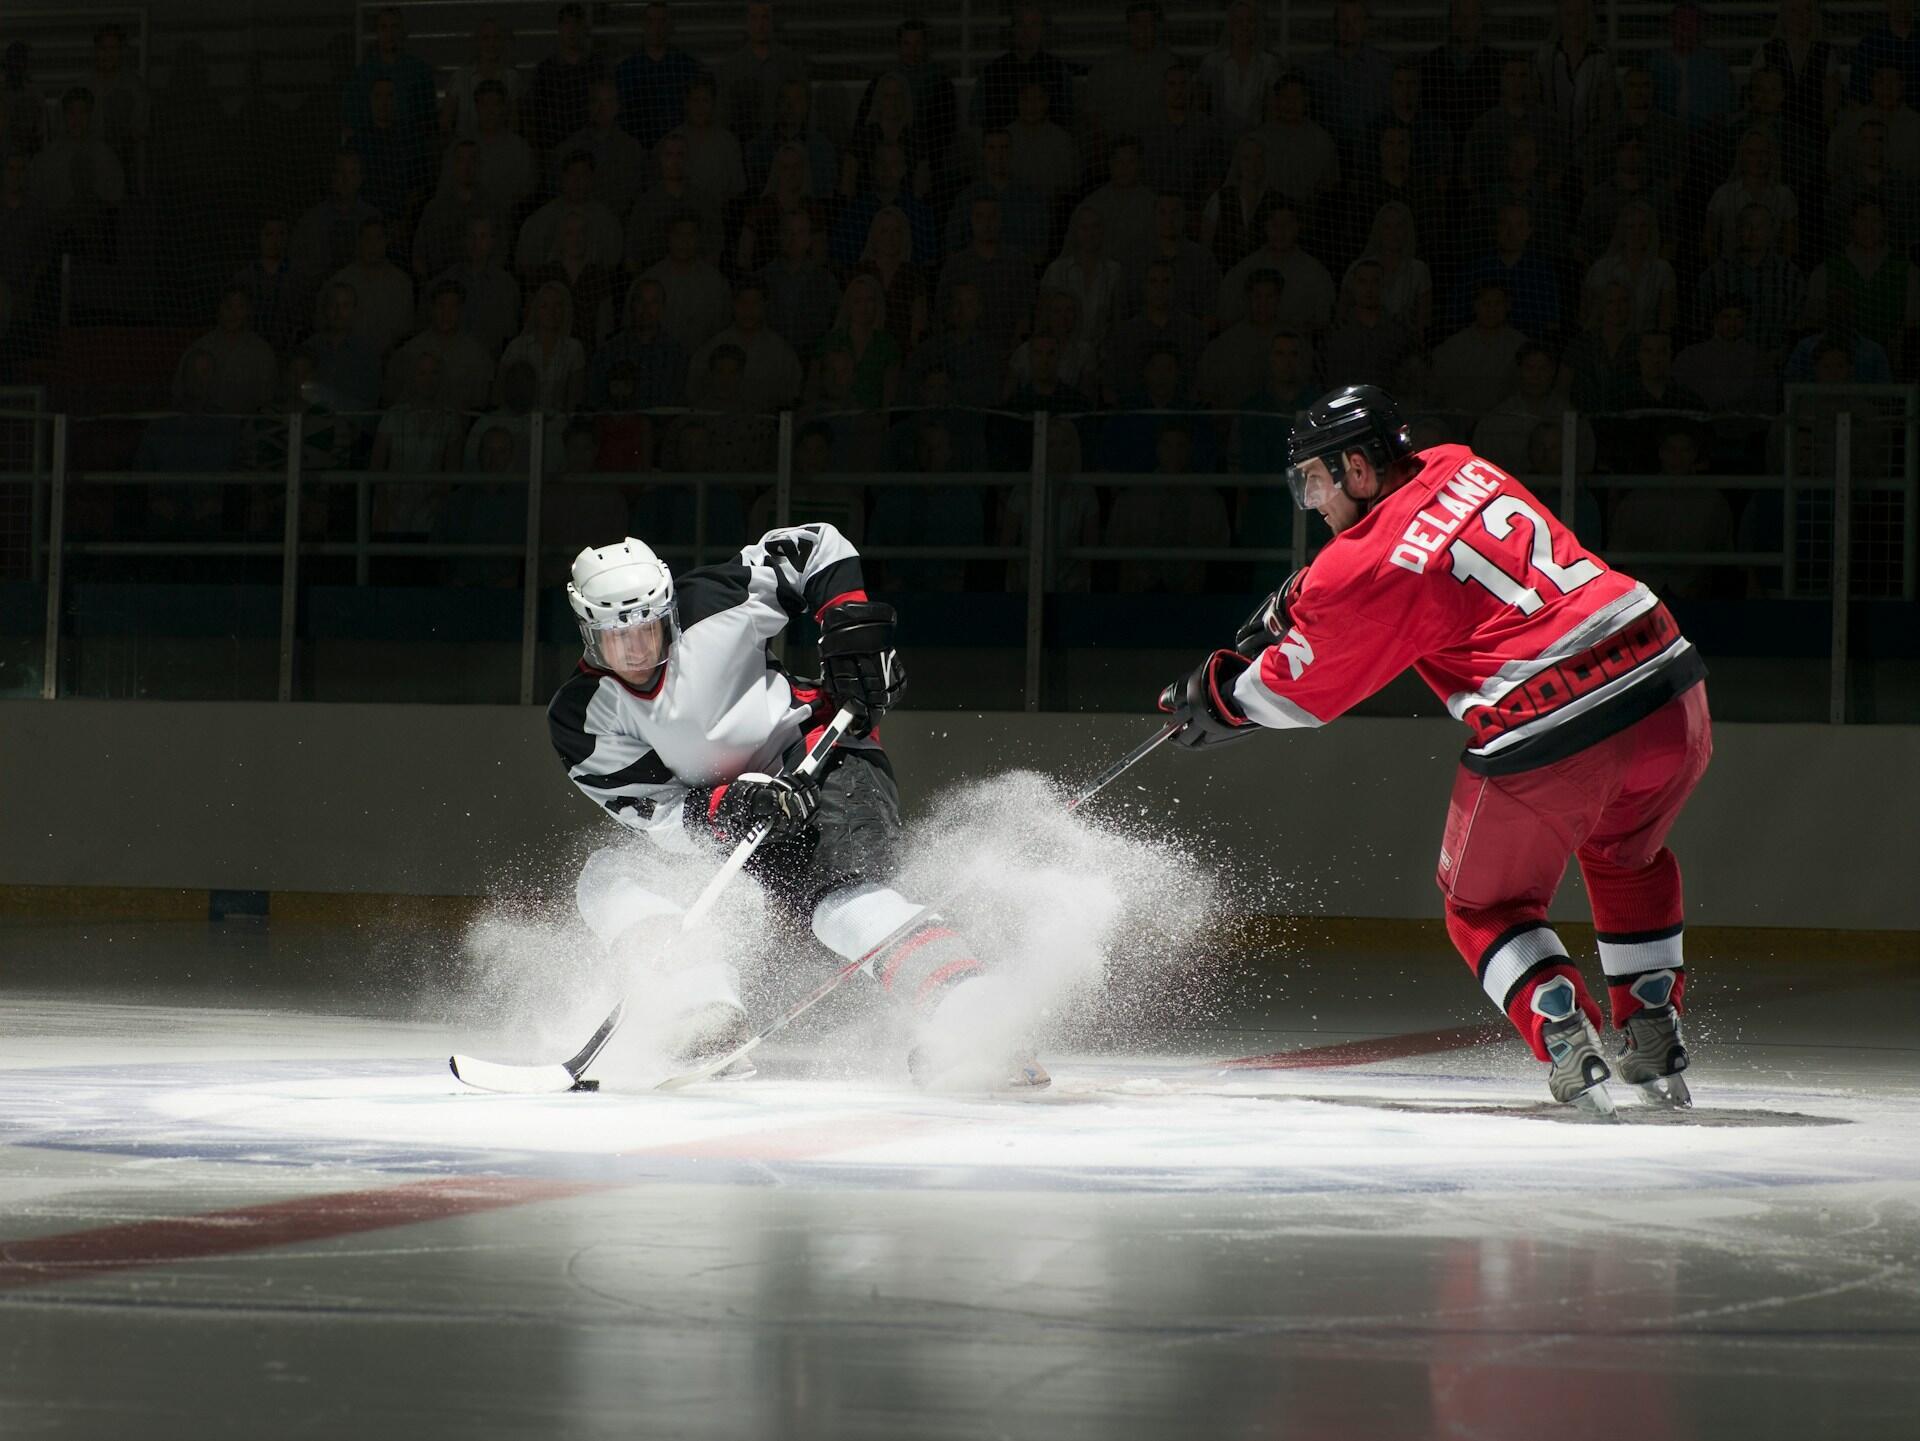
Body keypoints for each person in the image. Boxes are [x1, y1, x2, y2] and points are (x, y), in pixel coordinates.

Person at [1155, 384, 1710, 1114]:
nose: (1313, 501)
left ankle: (1568, 1037)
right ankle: (1651, 1030)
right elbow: (1430, 550)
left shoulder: (1355, 565)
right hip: (1670, 684)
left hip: (1550, 722)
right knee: (1625, 854)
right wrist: (1303, 598)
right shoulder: (1457, 461)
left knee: (1483, 903)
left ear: (1358, 468)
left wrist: (1220, 697)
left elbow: (1299, 694)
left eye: (1315, 480)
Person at [549, 530, 1047, 1089]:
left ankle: (978, 1020)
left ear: (667, 608)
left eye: (646, 627)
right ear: (587, 630)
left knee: (839, 898)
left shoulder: (713, 602)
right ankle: (703, 1016)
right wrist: (729, 807)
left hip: (820, 753)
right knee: (611, 878)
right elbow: (657, 810)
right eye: (616, 638)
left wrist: (848, 630)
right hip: (733, 821)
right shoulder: (582, 718)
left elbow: (814, 547)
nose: (636, 650)